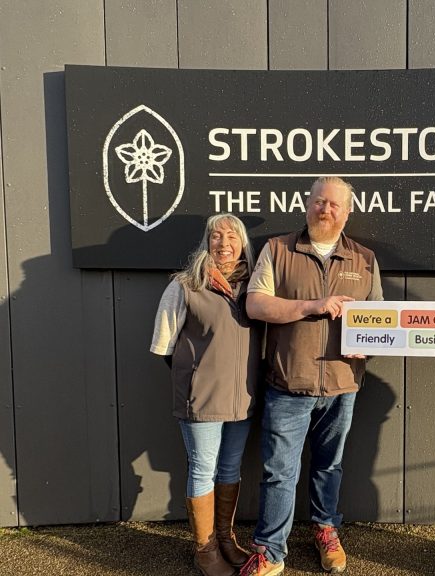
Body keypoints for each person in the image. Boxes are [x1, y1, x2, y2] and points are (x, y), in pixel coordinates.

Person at [240, 176, 383, 576]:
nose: (326, 210)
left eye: (335, 205)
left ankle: (325, 530)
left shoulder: (364, 259)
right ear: (307, 204)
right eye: (320, 202)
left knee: (329, 466)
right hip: (290, 383)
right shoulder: (277, 249)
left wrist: (368, 345)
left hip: (342, 385)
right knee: (279, 471)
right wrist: (312, 306)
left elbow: (381, 320)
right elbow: (255, 304)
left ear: (347, 211)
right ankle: (270, 550)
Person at [150, 214, 260, 576]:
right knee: (202, 470)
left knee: (229, 468)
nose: (224, 243)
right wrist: (197, 376)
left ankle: (226, 539)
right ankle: (205, 549)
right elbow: (165, 345)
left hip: (241, 399)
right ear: (206, 243)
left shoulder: (255, 288)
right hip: (201, 400)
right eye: (216, 236)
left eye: (232, 236)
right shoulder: (184, 285)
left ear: (243, 243)